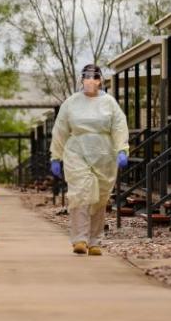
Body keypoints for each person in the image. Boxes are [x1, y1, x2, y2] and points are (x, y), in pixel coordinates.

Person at [49, 64, 129, 256]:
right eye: (87, 78)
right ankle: (80, 239)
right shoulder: (71, 103)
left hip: (104, 155)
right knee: (81, 194)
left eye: (94, 78)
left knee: (99, 199)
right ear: (82, 80)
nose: (90, 82)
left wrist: (122, 149)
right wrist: (56, 156)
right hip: (77, 152)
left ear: (100, 80)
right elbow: (60, 130)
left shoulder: (109, 103)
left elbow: (119, 126)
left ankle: (94, 241)